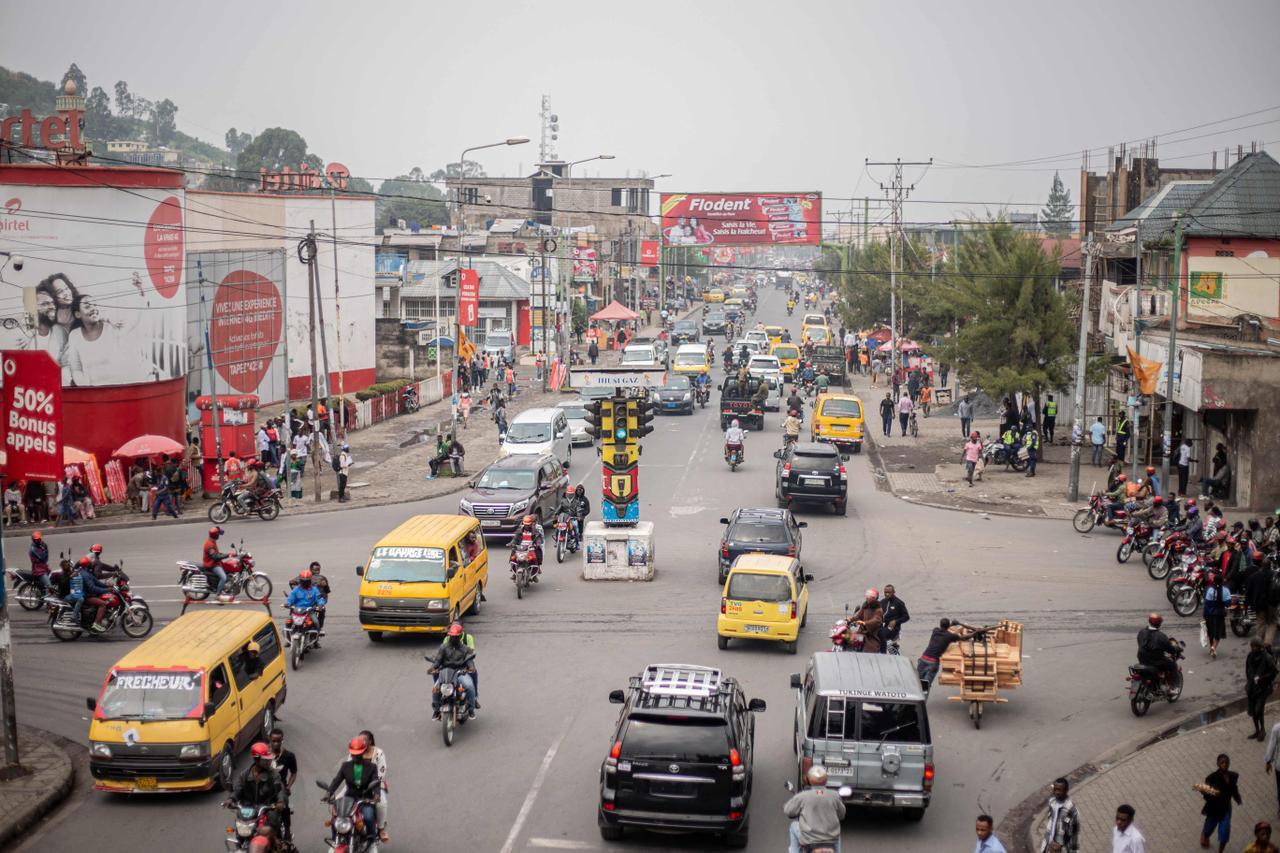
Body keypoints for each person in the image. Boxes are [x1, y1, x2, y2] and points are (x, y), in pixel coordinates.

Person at [227, 741, 288, 844]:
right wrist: (231, 799)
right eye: (266, 760)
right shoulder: (245, 775)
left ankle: (277, 843)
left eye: (269, 759)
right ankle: (240, 842)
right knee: (239, 821)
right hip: (248, 808)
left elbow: (280, 790)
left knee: (273, 820)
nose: (269, 761)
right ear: (257, 759)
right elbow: (238, 789)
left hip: (267, 808)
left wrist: (280, 802)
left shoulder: (274, 775)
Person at [324, 736, 380, 845]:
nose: (355, 756)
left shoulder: (372, 767)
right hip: (349, 798)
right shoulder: (345, 766)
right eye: (353, 754)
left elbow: (375, 782)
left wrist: (377, 794)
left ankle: (371, 840)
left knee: (368, 817)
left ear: (363, 752)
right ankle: (336, 840)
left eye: (358, 754)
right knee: (336, 817)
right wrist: (328, 792)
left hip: (365, 798)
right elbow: (337, 780)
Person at [783, 765, 845, 853]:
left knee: (793, 826)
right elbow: (842, 814)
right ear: (826, 780)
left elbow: (788, 811)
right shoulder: (835, 795)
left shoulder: (803, 796)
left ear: (809, 780)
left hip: (809, 840)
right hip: (831, 840)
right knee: (837, 835)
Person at [428, 623, 477, 720]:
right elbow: (438, 660)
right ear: (449, 635)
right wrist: (433, 668)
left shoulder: (465, 649)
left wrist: (471, 667)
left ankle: (471, 709)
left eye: (455, 636)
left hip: (460, 672)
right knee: (435, 689)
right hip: (445, 672)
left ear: (459, 636)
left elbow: (469, 660)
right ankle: (436, 710)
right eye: (452, 636)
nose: (453, 638)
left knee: (470, 686)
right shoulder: (443, 647)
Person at [1200, 753, 1242, 853]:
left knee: (1224, 833)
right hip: (1214, 809)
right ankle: (1205, 835)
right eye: (1222, 762)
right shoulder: (1212, 778)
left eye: (1226, 762)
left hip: (1226, 809)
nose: (1225, 764)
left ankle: (1220, 851)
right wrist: (1211, 797)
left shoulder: (1232, 776)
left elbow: (1233, 788)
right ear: (1218, 764)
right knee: (1209, 827)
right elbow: (1205, 792)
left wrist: (1237, 798)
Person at [359, 730, 390, 844]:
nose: (362, 742)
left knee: (381, 803)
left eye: (364, 740)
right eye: (360, 740)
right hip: (357, 786)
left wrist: (372, 786)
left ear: (370, 741)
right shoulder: (355, 752)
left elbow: (381, 774)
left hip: (375, 785)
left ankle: (381, 829)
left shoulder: (379, 753)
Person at [284, 569, 327, 647]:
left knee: (316, 622)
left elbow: (319, 598)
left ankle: (315, 641)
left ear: (310, 581)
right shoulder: (296, 590)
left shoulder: (314, 590)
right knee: (288, 622)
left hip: (309, 611)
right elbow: (291, 598)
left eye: (306, 581)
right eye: (303, 581)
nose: (304, 582)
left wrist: (320, 605)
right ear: (300, 581)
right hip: (296, 611)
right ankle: (288, 640)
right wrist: (288, 603)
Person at [268, 728, 298, 838]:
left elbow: (294, 773)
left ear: (282, 741)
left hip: (281, 788)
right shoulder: (264, 755)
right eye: (273, 741)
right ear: (269, 740)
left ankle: (287, 830)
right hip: (266, 788)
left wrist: (288, 787)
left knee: (284, 803)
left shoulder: (289, 756)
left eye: (278, 741)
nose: (276, 743)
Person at [1247, 637, 1279, 739]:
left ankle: (1263, 730)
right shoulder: (1250, 656)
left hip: (1263, 688)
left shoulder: (1267, 657)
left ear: (1258, 647)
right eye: (1252, 647)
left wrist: (1262, 678)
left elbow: (1274, 672)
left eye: (1254, 647)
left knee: (1258, 709)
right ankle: (1257, 730)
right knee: (1253, 711)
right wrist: (1250, 681)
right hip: (1252, 687)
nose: (1252, 648)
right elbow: (1247, 669)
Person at [1041, 777, 1080, 853]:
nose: (1056, 792)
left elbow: (1074, 835)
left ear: (1066, 790)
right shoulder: (1052, 802)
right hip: (1049, 846)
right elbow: (1051, 823)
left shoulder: (1071, 809)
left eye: (1059, 790)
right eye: (1055, 789)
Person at [1204, 572, 1230, 659]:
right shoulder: (1225, 590)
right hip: (1219, 614)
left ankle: (1211, 647)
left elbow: (1207, 603)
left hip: (1209, 614)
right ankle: (1214, 647)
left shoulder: (1210, 590)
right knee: (1218, 632)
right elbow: (1228, 604)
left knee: (1211, 631)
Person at [879, 585, 909, 652]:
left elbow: (906, 617)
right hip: (881, 626)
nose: (887, 594)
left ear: (893, 592)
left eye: (889, 592)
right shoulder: (881, 602)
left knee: (881, 634)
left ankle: (882, 654)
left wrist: (896, 621)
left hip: (893, 629)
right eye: (885, 592)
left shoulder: (899, 603)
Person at [851, 589, 883, 654]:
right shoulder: (865, 606)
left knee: (869, 649)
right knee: (849, 639)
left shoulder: (878, 609)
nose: (867, 598)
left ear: (874, 598)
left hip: (871, 634)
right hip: (861, 632)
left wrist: (865, 623)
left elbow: (876, 620)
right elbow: (858, 616)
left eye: (869, 597)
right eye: (866, 597)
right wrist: (850, 619)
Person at [202, 525, 231, 596]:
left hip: (215, 562)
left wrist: (228, 554)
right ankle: (218, 594)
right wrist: (228, 555)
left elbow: (217, 553)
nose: (219, 535)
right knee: (223, 577)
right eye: (218, 534)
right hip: (212, 565)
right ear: (215, 536)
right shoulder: (209, 545)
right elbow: (215, 557)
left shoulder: (212, 541)